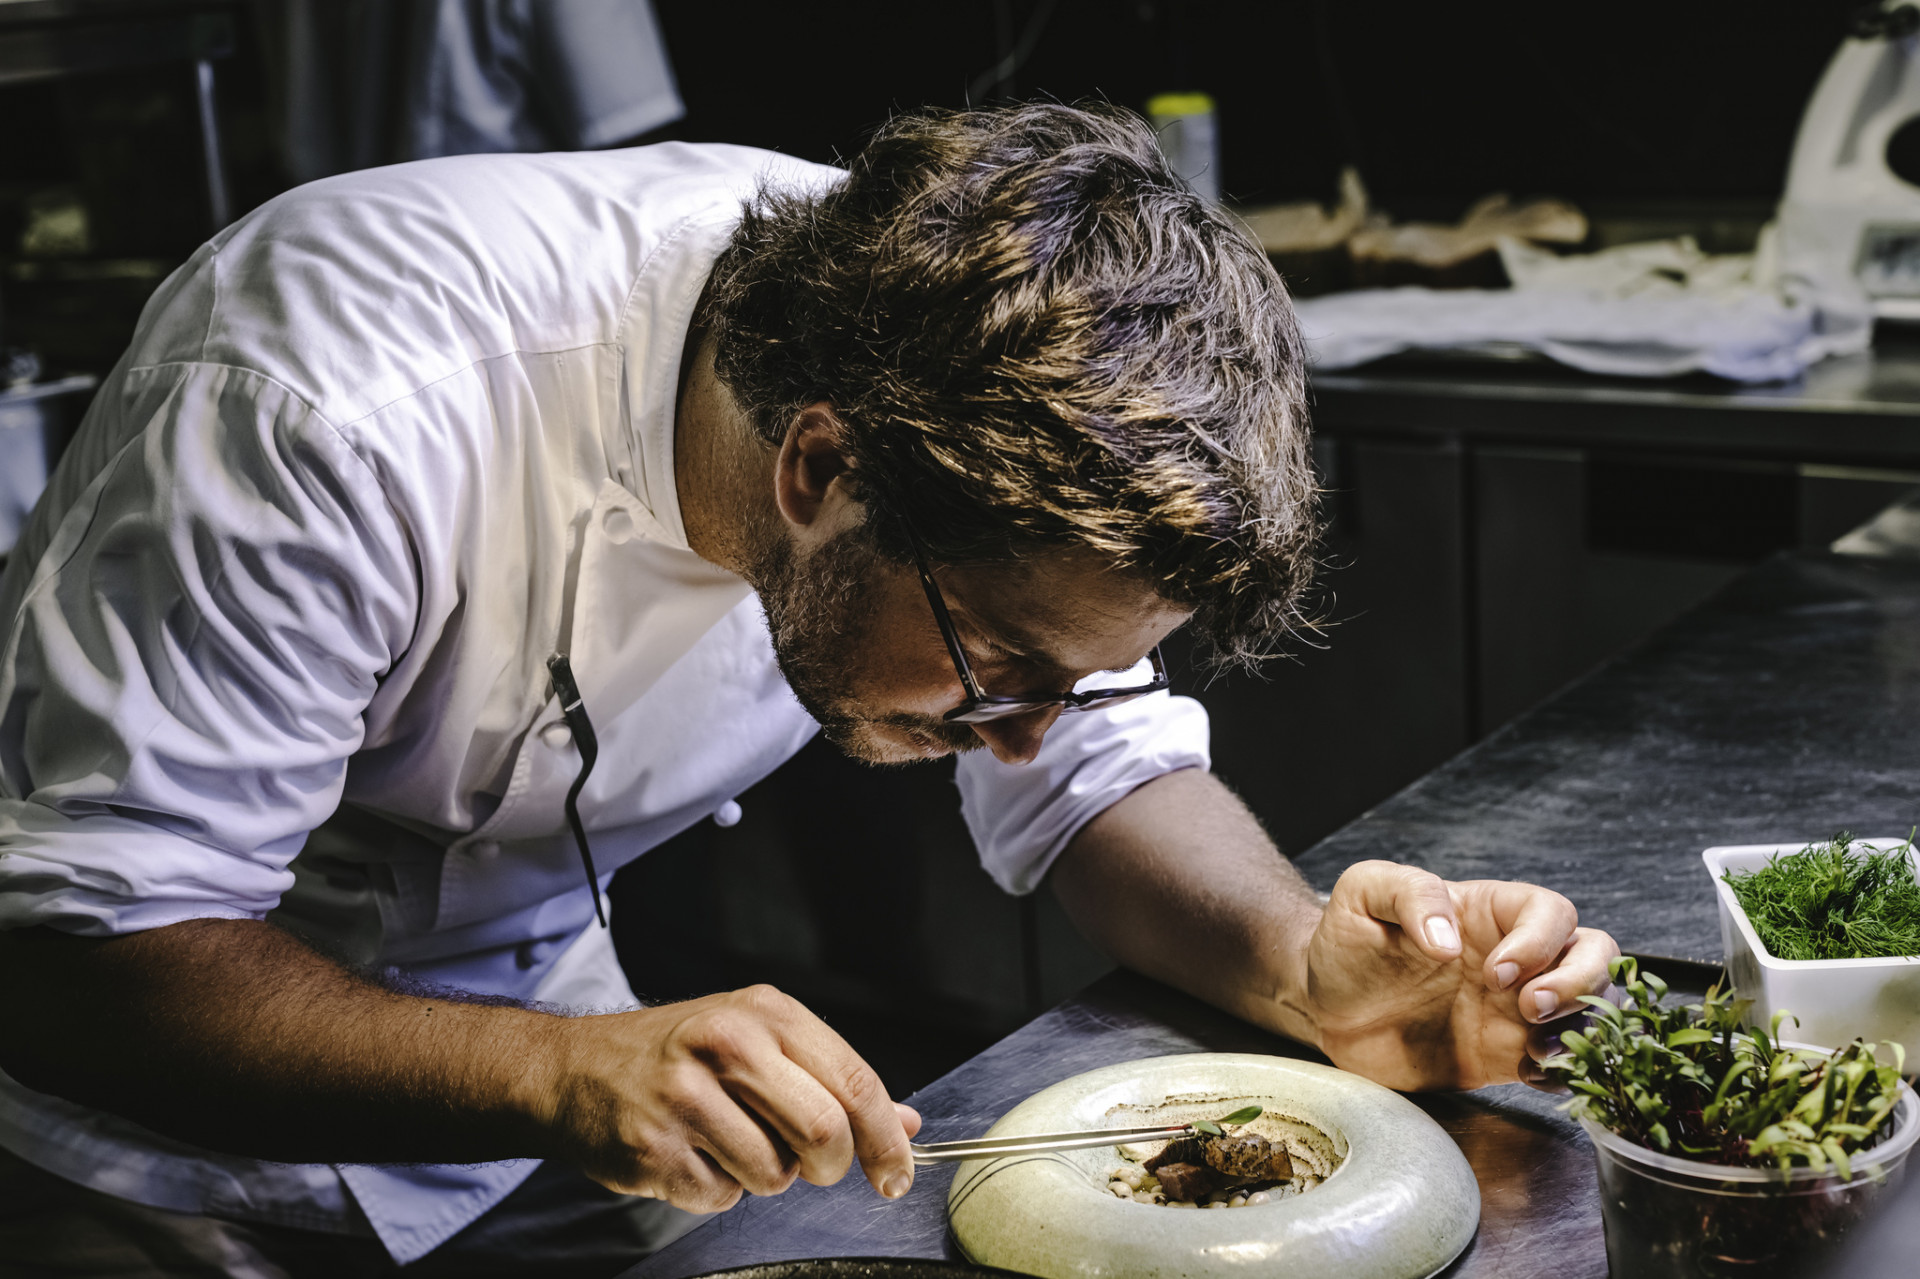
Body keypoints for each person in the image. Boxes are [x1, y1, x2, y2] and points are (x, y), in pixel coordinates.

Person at [0, 104, 1617, 1276]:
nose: (1039, 722)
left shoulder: (985, 356)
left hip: (545, 1079)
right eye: (1003, 669)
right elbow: (81, 959)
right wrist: (559, 1075)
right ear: (818, 465)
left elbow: (1098, 761)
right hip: (142, 1134)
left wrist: (1298, 966)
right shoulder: (333, 397)